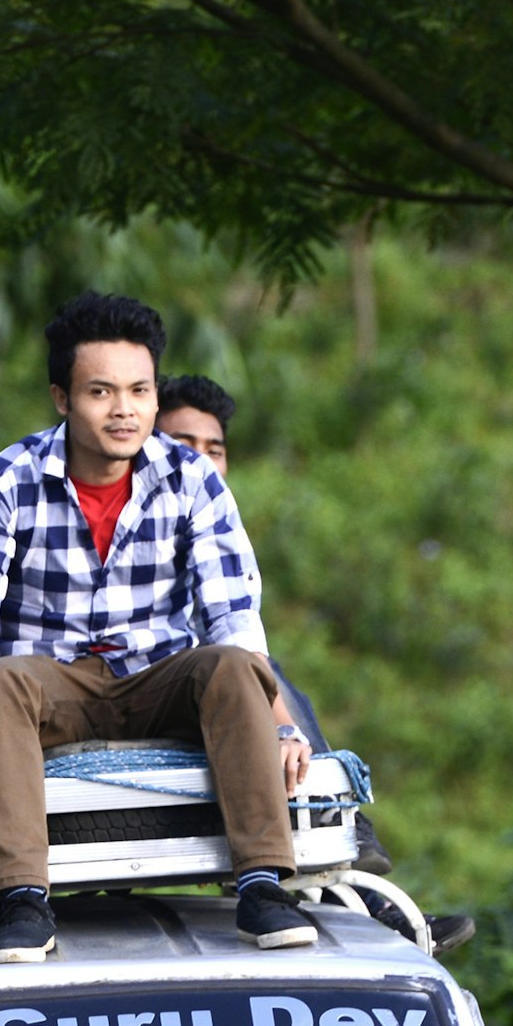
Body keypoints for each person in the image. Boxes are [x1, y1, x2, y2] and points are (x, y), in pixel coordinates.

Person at [0, 293, 314, 965]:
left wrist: (283, 725)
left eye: (139, 390)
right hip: (53, 682)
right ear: (61, 398)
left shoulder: (191, 477)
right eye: (100, 391)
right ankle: (23, 900)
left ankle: (262, 885)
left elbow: (233, 615)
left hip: (157, 674)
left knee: (228, 662)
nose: (124, 409)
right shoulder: (4, 483)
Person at [151, 375, 459, 949]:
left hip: (211, 688)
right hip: (141, 690)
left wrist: (283, 725)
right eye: (182, 444)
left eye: (213, 449)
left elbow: (237, 637)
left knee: (271, 676)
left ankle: (340, 866)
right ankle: (342, 835)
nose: (200, 461)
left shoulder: (219, 533)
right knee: (256, 679)